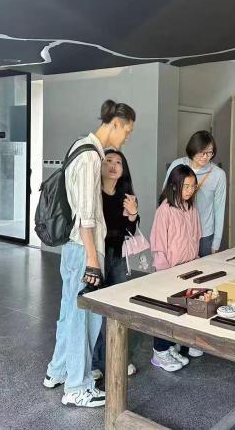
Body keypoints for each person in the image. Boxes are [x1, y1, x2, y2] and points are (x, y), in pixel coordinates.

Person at [43, 99, 135, 409]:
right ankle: (77, 387)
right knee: (83, 320)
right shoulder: (90, 156)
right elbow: (86, 216)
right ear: (116, 124)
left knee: (70, 314)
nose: (126, 138)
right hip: (85, 249)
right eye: (127, 131)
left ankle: (57, 371)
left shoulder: (81, 147)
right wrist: (94, 260)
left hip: (76, 249)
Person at [91, 150, 139, 379]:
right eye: (108, 161)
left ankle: (119, 357)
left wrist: (133, 214)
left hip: (117, 256)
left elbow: (130, 231)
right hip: (97, 256)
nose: (113, 165)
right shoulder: (93, 194)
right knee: (95, 311)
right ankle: (95, 362)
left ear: (123, 169)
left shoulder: (125, 196)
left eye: (118, 162)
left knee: (117, 308)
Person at [149, 164, 202, 371]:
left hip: (188, 269)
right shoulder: (165, 210)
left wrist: (196, 263)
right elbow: (159, 244)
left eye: (192, 186)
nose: (189, 191)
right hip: (168, 271)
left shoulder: (191, 209)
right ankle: (159, 352)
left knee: (180, 309)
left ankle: (171, 346)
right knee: (165, 311)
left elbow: (195, 237)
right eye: (185, 186)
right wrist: (164, 274)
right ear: (174, 186)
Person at [165, 131, 226, 257]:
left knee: (205, 268)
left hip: (205, 234)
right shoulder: (178, 165)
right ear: (193, 149)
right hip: (178, 231)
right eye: (201, 152)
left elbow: (219, 208)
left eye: (209, 152)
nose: (205, 157)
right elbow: (166, 196)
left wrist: (216, 242)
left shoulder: (218, 174)